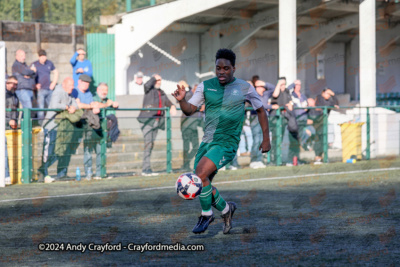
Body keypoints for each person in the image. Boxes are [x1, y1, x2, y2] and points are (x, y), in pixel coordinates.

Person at [172, 48, 271, 234]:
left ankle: (206, 215)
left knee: (199, 175)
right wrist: (181, 100)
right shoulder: (205, 86)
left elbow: (261, 110)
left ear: (234, 68)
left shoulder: (245, 87)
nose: (221, 72)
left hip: (226, 143)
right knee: (202, 181)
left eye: (226, 68)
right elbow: (189, 110)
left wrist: (266, 138)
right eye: (218, 68)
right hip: (207, 142)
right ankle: (226, 210)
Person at [38, 77, 79, 181]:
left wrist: (73, 107)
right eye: (71, 85)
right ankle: (43, 173)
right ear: (64, 85)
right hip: (52, 126)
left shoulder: (70, 93)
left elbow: (75, 104)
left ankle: (61, 173)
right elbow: (54, 105)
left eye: (73, 85)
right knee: (49, 151)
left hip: (62, 127)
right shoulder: (58, 92)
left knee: (62, 150)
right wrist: (67, 107)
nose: (73, 87)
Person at [137, 74, 177, 176]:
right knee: (148, 144)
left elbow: (168, 102)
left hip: (157, 122)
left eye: (160, 80)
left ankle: (147, 168)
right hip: (147, 121)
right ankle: (145, 169)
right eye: (157, 80)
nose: (158, 82)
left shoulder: (162, 92)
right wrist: (154, 77)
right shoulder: (148, 89)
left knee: (151, 145)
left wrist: (172, 106)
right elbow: (146, 84)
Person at [86, 82, 119, 179]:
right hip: (91, 127)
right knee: (88, 151)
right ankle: (88, 173)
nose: (104, 92)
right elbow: (96, 105)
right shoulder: (93, 97)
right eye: (102, 90)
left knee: (100, 151)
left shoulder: (106, 100)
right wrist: (107, 104)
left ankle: (99, 173)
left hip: (102, 129)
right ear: (97, 90)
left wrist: (114, 104)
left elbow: (111, 104)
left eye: (106, 90)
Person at [71, 74, 100, 178]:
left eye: (88, 83)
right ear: (79, 82)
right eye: (84, 82)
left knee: (88, 147)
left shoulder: (88, 93)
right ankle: (62, 173)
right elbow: (78, 105)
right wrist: (90, 106)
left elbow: (93, 104)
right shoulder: (75, 91)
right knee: (68, 149)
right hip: (76, 124)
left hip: (87, 123)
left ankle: (89, 172)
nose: (86, 85)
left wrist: (94, 106)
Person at [249, 80, 275, 169]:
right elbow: (260, 105)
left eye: (262, 87)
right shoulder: (253, 95)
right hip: (256, 120)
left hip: (264, 121)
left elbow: (274, 88)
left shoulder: (266, 94)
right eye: (259, 87)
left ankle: (259, 160)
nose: (262, 88)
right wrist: (271, 106)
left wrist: (264, 83)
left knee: (261, 141)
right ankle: (253, 160)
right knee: (256, 141)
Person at [179, 81, 203, 171]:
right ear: (194, 89)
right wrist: (201, 106)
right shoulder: (188, 95)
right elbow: (190, 106)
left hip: (193, 125)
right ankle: (185, 165)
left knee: (196, 146)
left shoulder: (197, 96)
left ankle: (186, 164)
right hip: (186, 125)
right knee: (186, 147)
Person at [269, 77, 293, 165]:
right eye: (281, 84)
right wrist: (279, 85)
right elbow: (275, 95)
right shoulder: (275, 90)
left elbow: (290, 100)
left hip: (284, 119)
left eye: (284, 84)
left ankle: (281, 159)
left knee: (282, 140)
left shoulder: (286, 91)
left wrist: (290, 104)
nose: (283, 86)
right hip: (275, 119)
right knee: (275, 140)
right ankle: (274, 160)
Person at [313, 88, 339, 163]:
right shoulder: (319, 98)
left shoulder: (328, 101)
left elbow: (336, 103)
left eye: (330, 94)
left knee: (324, 140)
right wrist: (332, 105)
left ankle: (323, 157)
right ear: (323, 93)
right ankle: (317, 157)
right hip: (317, 122)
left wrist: (333, 94)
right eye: (328, 94)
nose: (329, 96)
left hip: (323, 122)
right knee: (318, 139)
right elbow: (323, 105)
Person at [32, 49, 59, 125]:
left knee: (52, 107)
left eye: (45, 57)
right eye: (42, 57)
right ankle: (41, 125)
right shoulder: (35, 64)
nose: (44, 58)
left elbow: (56, 72)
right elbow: (30, 74)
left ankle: (53, 123)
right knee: (40, 109)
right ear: (39, 57)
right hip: (40, 90)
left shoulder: (49, 63)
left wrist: (53, 83)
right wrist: (35, 84)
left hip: (49, 89)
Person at [288, 79, 308, 164]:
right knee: (294, 141)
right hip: (295, 120)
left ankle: (297, 159)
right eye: (296, 85)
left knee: (299, 140)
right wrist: (293, 83)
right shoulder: (291, 95)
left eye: (300, 85)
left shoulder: (303, 95)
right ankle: (292, 160)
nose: (298, 86)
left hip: (303, 119)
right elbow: (287, 89)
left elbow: (307, 105)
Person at [5, 76, 19, 185]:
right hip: (4, 126)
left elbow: (16, 111)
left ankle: (8, 175)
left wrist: (14, 120)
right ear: (7, 83)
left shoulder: (15, 95)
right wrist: (8, 121)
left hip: (10, 128)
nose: (15, 86)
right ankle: (5, 175)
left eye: (16, 84)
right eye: (13, 84)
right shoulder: (3, 94)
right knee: (4, 151)